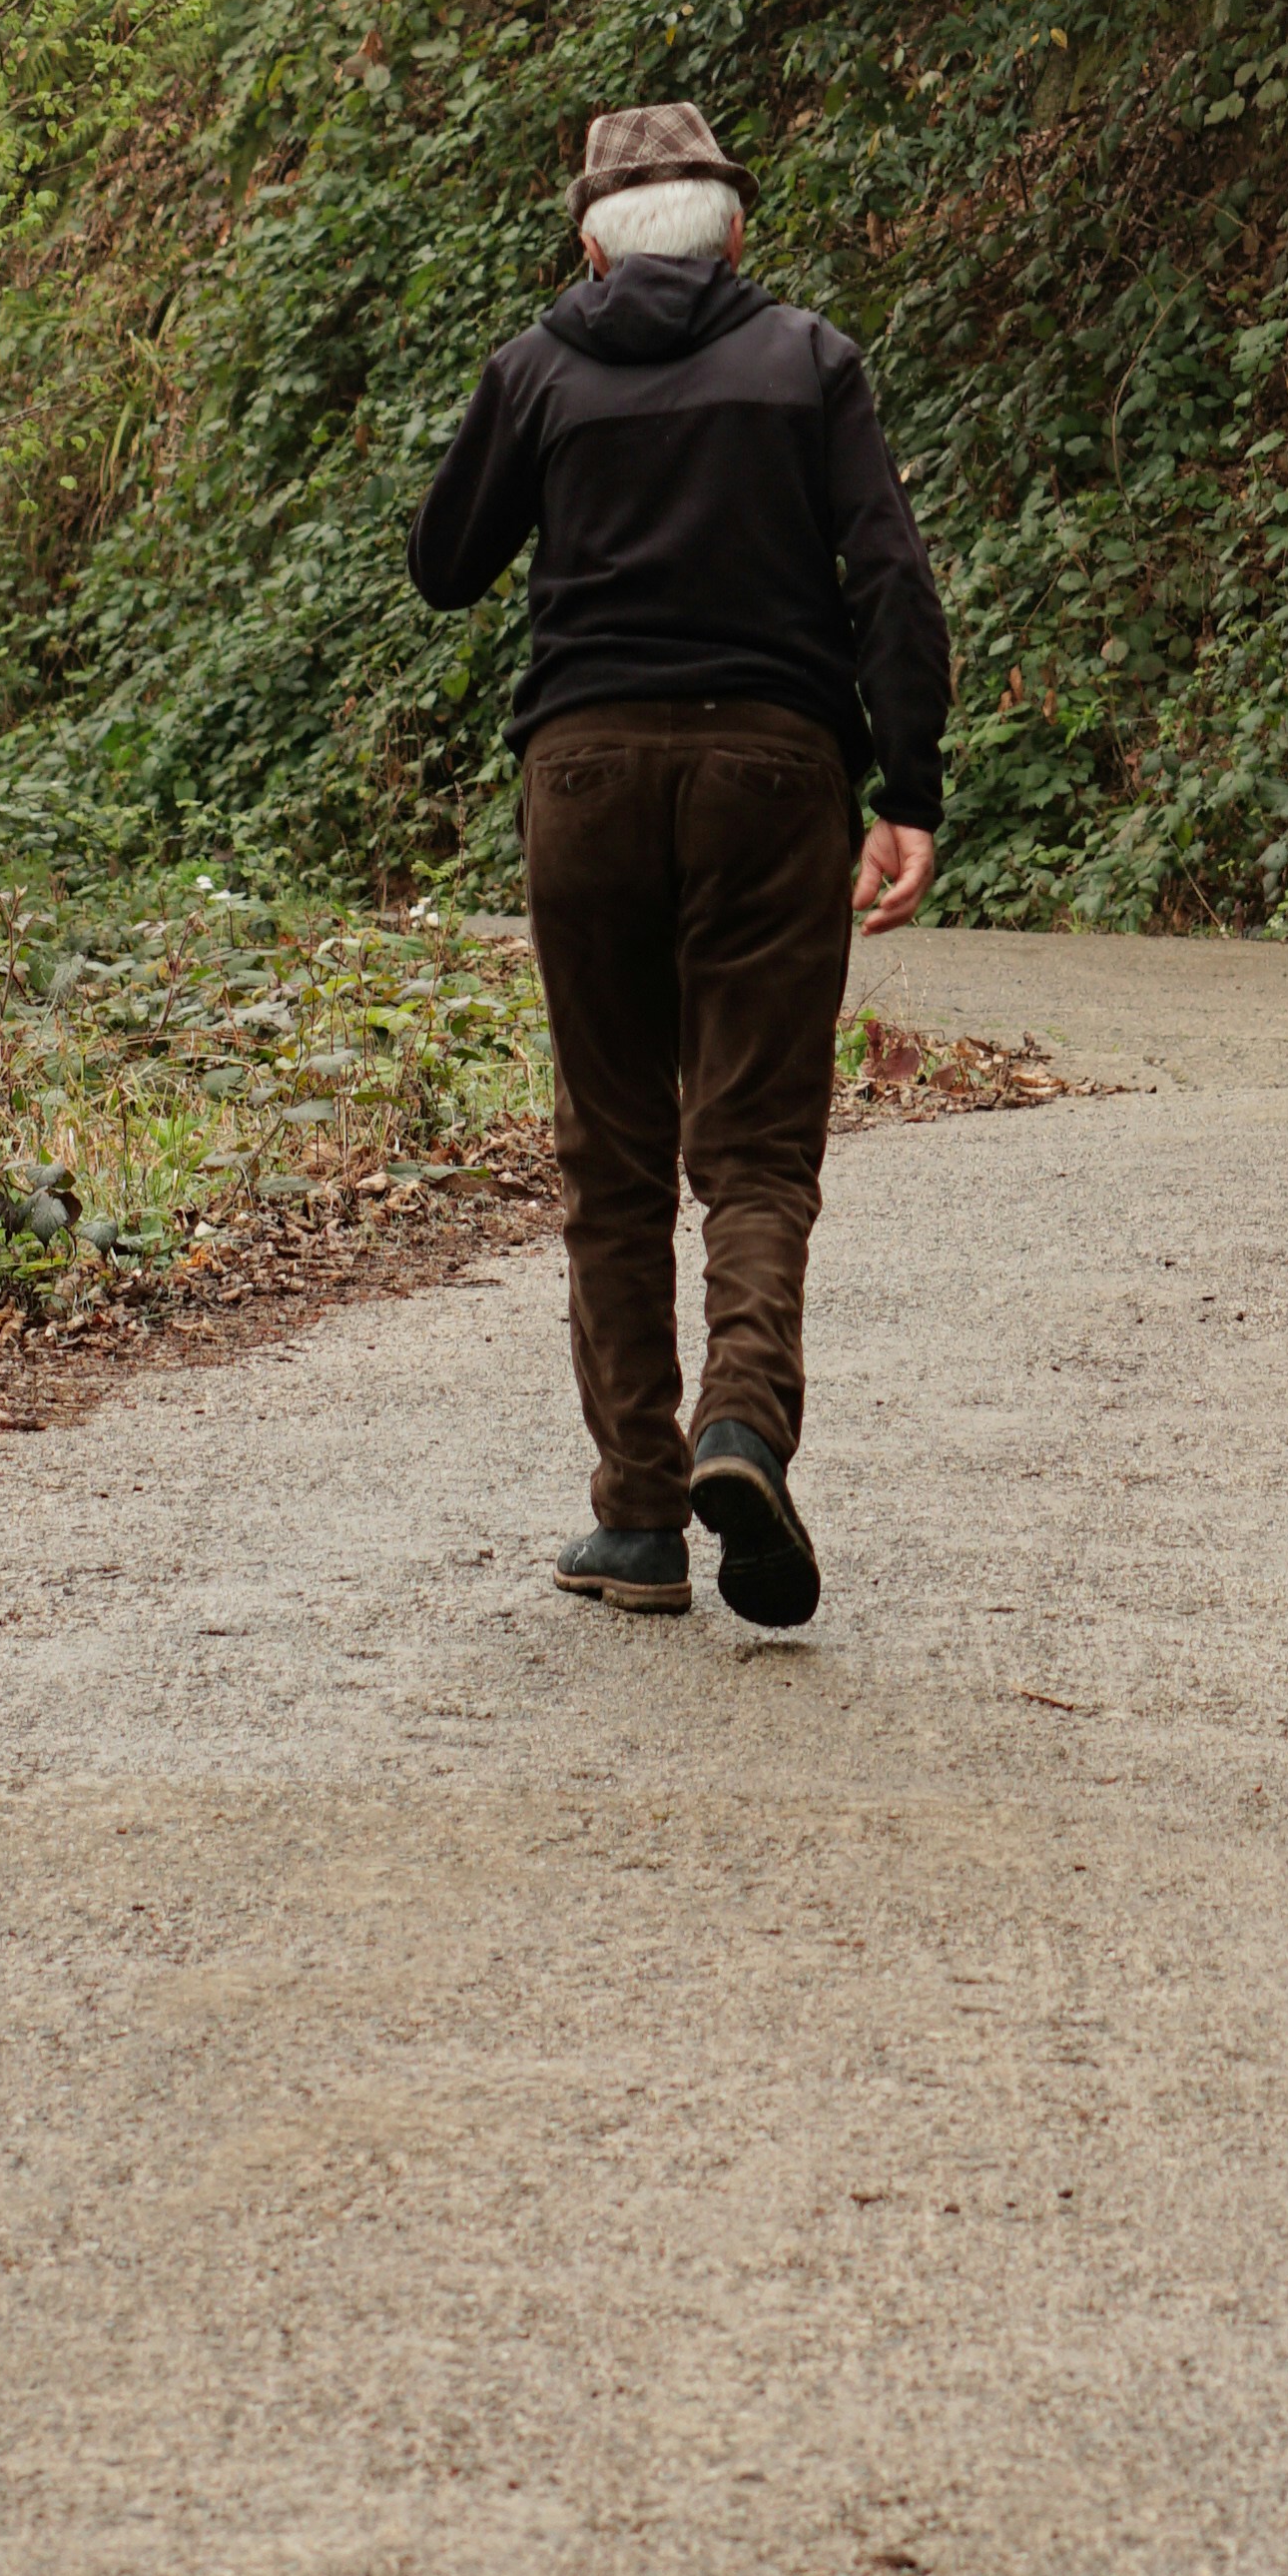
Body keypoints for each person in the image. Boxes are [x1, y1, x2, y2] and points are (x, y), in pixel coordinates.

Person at [405, 98, 949, 1630]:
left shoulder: (537, 368)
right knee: (758, 1147)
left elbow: (444, 565)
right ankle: (742, 1425)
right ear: (734, 230)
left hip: (580, 776)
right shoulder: (808, 362)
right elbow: (890, 577)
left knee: (615, 1148)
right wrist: (905, 786)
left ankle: (640, 1522)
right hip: (777, 773)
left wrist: (529, 414)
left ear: (587, 239)